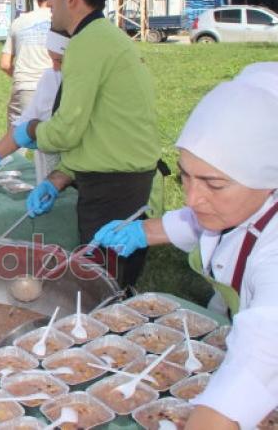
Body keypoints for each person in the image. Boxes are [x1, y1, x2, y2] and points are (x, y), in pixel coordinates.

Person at [92, 63, 278, 430]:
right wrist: (143, 231)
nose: (192, 199)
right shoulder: (241, 202)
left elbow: (258, 363)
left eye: (214, 184)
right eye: (185, 176)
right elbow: (197, 221)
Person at [13, 0, 160, 288]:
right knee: (106, 279)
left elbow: (66, 131)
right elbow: (97, 129)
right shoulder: (103, 37)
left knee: (103, 286)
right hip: (118, 179)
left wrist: (30, 131)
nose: (49, 3)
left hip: (115, 187)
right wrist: (59, 177)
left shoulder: (86, 43)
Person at [0, 29, 69, 184]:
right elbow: (24, 123)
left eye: (60, 61)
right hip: (53, 169)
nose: (55, 67)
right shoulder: (51, 77)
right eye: (52, 59)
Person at [0, 0, 52, 129]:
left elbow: (4, 64)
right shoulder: (61, 21)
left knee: (16, 136)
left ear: (38, 0)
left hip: (23, 87)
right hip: (52, 87)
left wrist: (22, 77)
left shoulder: (18, 22)